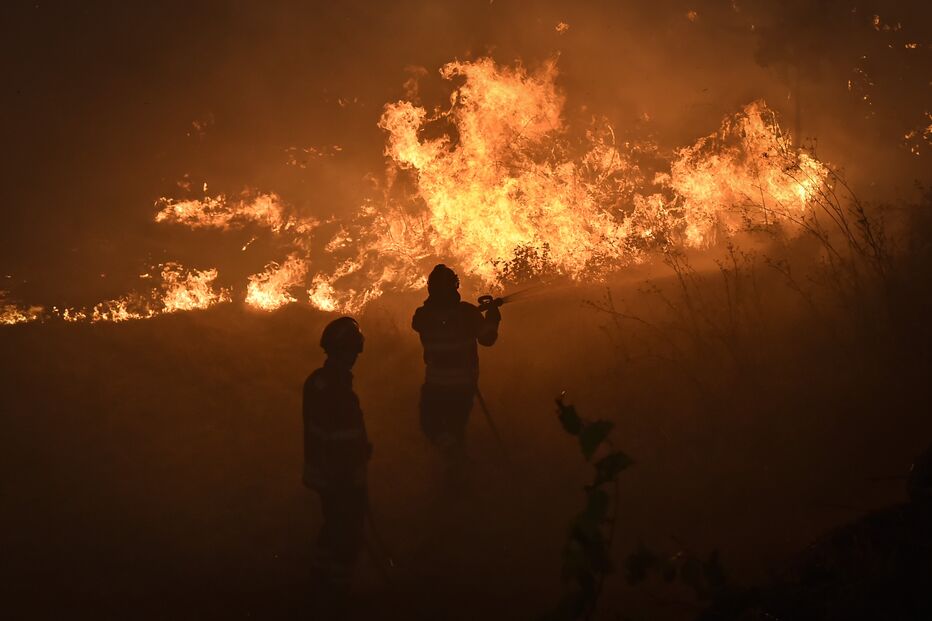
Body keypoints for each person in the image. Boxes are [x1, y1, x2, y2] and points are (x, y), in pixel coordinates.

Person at [302, 316, 370, 593]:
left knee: (332, 527)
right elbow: (342, 435)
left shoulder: (317, 381)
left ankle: (320, 581)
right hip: (341, 474)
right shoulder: (338, 388)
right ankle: (337, 593)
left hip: (323, 471)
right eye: (353, 351)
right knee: (347, 533)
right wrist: (357, 462)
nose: (354, 357)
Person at [411, 264, 501, 471]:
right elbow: (488, 339)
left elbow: (426, 320)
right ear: (455, 287)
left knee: (431, 425)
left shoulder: (423, 315)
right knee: (455, 428)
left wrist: (451, 314)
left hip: (435, 385)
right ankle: (458, 463)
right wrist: (493, 316)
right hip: (463, 386)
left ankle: (453, 464)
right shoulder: (467, 313)